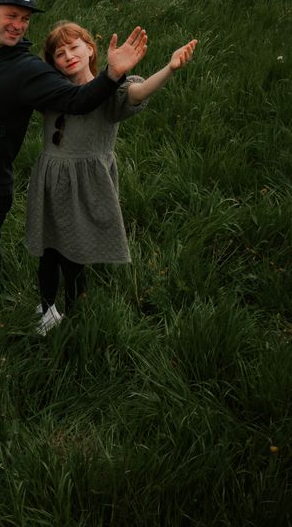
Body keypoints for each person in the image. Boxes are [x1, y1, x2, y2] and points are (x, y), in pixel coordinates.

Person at [0, 0, 148, 330]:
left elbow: (77, 101)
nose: (18, 24)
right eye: (11, 16)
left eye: (25, 19)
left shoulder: (28, 69)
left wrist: (111, 75)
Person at [27, 22, 198, 334]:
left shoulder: (109, 91)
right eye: (59, 54)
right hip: (51, 179)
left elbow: (137, 93)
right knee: (48, 248)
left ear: (90, 49)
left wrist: (169, 69)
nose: (68, 56)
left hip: (85, 182)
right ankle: (47, 306)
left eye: (74, 48)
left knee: (73, 253)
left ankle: (74, 313)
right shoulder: (52, 91)